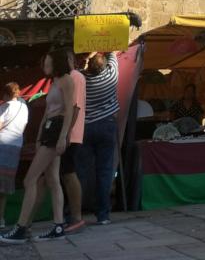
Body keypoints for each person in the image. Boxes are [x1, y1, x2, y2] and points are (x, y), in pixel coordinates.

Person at [0, 50, 74, 243]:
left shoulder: (66, 80)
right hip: (49, 130)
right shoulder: (55, 82)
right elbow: (49, 111)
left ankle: (21, 227)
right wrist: (41, 134)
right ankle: (58, 226)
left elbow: (69, 110)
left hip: (57, 130)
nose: (45, 66)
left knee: (29, 179)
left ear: (56, 62)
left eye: (48, 62)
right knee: (52, 179)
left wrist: (63, 137)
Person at [76, 51, 119, 226]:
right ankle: (103, 215)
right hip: (107, 125)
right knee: (105, 171)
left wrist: (86, 56)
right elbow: (113, 52)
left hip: (86, 127)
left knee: (83, 173)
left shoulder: (81, 79)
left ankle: (76, 212)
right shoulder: (112, 74)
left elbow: (76, 69)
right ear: (105, 66)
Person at [60, 52, 86, 234]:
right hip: (71, 132)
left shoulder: (75, 77)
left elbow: (75, 106)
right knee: (64, 174)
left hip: (72, 133)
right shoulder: (75, 77)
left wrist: (66, 133)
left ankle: (76, 217)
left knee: (69, 174)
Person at [0, 84, 28, 229]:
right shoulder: (23, 106)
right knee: (5, 186)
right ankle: (1, 219)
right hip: (16, 145)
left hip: (2, 145)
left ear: (5, 94)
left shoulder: (4, 108)